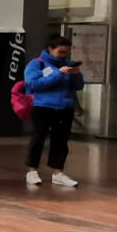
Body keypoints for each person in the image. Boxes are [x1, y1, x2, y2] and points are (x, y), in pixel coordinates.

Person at [24, 34, 84, 187]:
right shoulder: (37, 64)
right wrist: (58, 74)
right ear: (50, 49)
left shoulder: (68, 64)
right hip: (43, 106)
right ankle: (32, 170)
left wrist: (76, 75)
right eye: (60, 52)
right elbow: (34, 84)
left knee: (61, 141)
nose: (64, 55)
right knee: (38, 138)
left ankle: (58, 172)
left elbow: (78, 86)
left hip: (64, 107)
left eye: (66, 52)